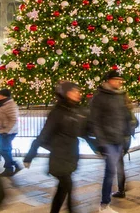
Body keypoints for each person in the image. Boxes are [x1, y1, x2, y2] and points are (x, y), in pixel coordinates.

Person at [23, 82, 85, 213]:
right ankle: (71, 210)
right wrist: (30, 155)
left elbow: (83, 131)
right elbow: (43, 135)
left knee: (64, 187)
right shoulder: (57, 112)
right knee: (66, 184)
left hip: (70, 154)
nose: (78, 93)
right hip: (59, 156)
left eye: (78, 91)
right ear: (66, 93)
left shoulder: (75, 110)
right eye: (74, 91)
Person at [90, 71, 131, 212]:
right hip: (108, 140)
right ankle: (104, 204)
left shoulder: (120, 96)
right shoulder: (99, 98)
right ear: (108, 81)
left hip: (119, 139)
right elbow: (95, 121)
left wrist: (128, 133)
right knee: (111, 171)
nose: (120, 82)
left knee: (117, 169)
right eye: (117, 79)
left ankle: (109, 200)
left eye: (121, 79)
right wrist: (101, 141)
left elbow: (125, 117)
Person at [112, 93, 138, 199]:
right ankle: (122, 187)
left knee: (119, 165)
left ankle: (121, 190)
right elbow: (136, 122)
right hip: (127, 140)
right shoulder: (128, 109)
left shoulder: (119, 110)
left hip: (120, 140)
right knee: (119, 163)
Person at [0, 89, 21, 177]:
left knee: (3, 150)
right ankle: (9, 169)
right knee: (6, 150)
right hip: (4, 131)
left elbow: (13, 119)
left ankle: (14, 165)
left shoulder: (10, 105)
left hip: (7, 132)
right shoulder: (3, 104)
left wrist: (7, 131)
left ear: (3, 95)